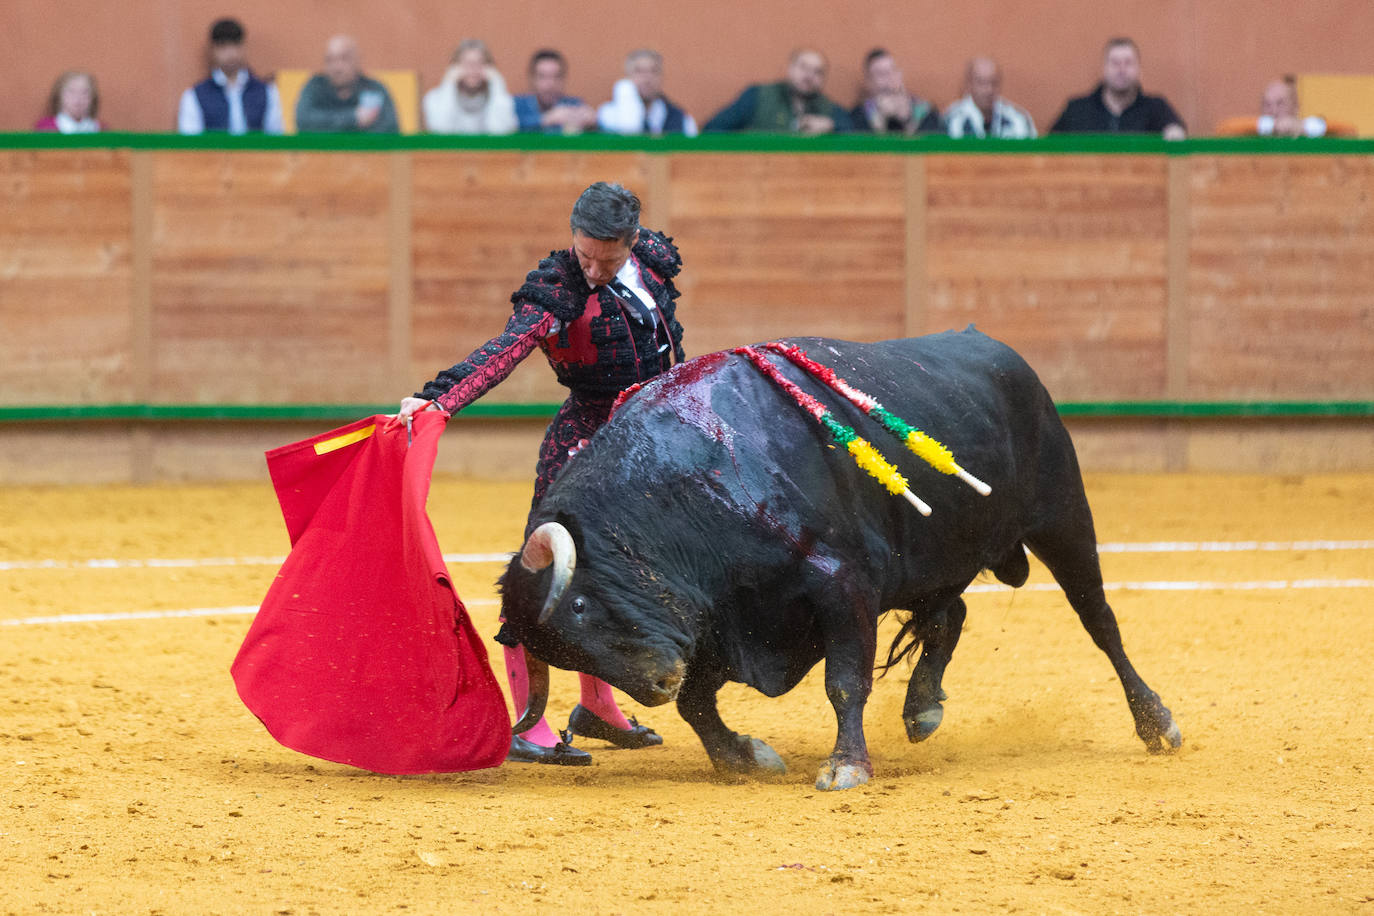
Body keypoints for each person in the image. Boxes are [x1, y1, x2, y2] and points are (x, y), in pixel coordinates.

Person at [394, 182, 685, 766]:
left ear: (631, 243)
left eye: (609, 259)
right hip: (585, 444)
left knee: (619, 573)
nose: (595, 270)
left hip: (652, 440)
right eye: (585, 256)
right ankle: (527, 721)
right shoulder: (557, 290)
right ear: (572, 238)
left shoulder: (649, 261)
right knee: (543, 571)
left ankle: (598, 708)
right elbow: (504, 350)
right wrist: (440, 400)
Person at [1050, 37, 1186, 139]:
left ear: (1139, 69)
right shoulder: (1077, 110)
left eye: (1128, 63)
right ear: (1103, 69)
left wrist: (1174, 132)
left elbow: (1177, 134)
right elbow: (1050, 148)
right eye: (1115, 63)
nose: (1121, 69)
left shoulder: (1157, 109)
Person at [703, 48, 852, 134]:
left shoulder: (828, 108)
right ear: (790, 69)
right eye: (803, 67)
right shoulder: (759, 96)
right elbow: (713, 129)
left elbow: (855, 136)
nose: (809, 76)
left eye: (817, 72)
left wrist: (832, 126)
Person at [176, 17, 282, 135]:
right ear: (213, 50)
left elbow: (276, 138)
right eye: (223, 47)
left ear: (243, 47)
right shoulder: (194, 95)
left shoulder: (267, 92)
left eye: (235, 45)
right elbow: (189, 142)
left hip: (256, 154)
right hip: (212, 153)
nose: (231, 53)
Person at [295, 35, 399, 134]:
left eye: (344, 58)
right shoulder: (314, 87)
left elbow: (390, 129)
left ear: (357, 60)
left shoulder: (374, 89)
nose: (337, 67)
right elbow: (303, 121)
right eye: (330, 60)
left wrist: (330, 126)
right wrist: (353, 119)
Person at [422, 39, 518, 135]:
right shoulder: (433, 98)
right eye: (467, 63)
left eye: (479, 63)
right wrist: (449, 84)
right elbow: (441, 130)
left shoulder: (501, 98)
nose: (473, 69)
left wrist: (497, 83)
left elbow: (501, 131)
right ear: (455, 67)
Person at [597, 48, 698, 136]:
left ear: (661, 77)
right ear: (627, 76)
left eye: (654, 71)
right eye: (639, 71)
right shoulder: (608, 115)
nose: (647, 78)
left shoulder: (681, 119)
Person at [1214, 76, 1354, 138]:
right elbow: (1224, 130)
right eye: (1267, 105)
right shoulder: (1254, 132)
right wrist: (1270, 126)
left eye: (1280, 104)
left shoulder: (1309, 132)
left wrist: (1304, 127)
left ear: (1296, 107)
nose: (1273, 111)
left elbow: (1349, 130)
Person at [849, 48, 942, 136]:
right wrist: (881, 121)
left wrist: (906, 119)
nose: (890, 78)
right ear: (869, 82)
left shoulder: (925, 112)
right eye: (881, 74)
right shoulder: (859, 115)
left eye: (893, 70)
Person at [944, 56, 1037, 139]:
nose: (989, 90)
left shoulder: (1018, 118)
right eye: (981, 83)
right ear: (969, 84)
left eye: (994, 83)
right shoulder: (952, 119)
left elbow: (1033, 155)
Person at [513, 49, 598, 134]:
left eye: (556, 77)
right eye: (543, 77)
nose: (550, 84)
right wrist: (546, 119)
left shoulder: (573, 104)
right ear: (532, 80)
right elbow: (511, 124)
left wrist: (592, 122)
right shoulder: (516, 105)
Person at [34, 71, 102, 133]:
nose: (78, 98)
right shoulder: (44, 129)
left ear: (93, 97)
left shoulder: (101, 129)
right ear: (59, 96)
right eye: (71, 91)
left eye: (85, 92)